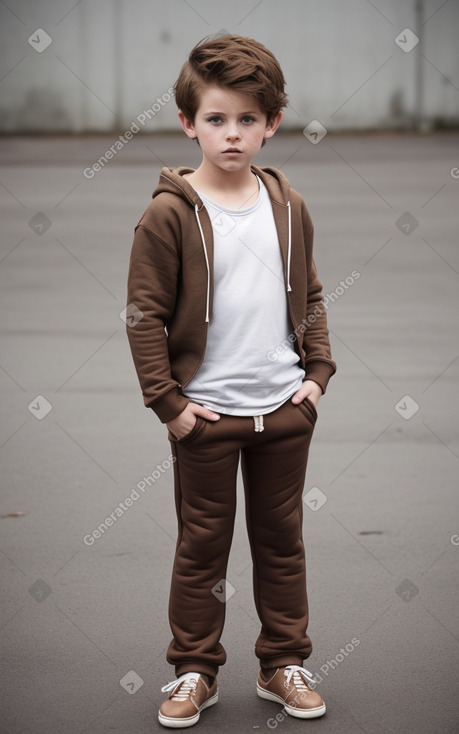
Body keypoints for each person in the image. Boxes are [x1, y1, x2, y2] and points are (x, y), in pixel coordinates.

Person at [126, 33, 336, 729]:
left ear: (272, 123)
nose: (232, 134)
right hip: (205, 418)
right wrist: (170, 405)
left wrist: (316, 376)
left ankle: (283, 663)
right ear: (188, 122)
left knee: (282, 542)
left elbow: (308, 294)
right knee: (201, 548)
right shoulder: (168, 212)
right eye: (216, 119)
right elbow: (143, 315)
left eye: (248, 119)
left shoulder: (287, 205)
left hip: (282, 410)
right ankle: (194, 670)